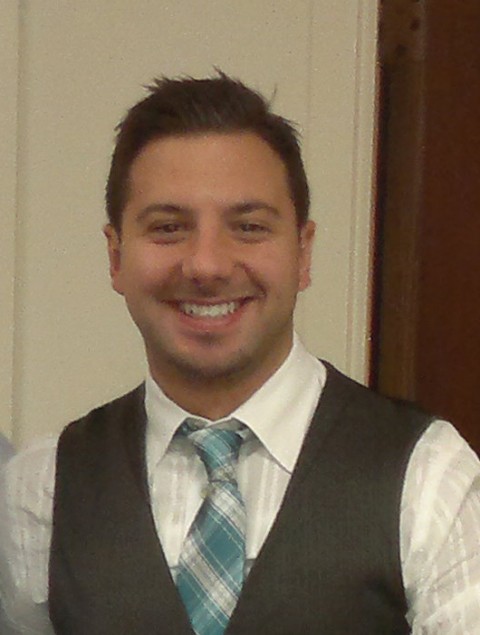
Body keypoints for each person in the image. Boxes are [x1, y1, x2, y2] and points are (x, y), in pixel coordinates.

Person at [1, 72, 479, 635]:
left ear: (303, 252)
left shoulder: (428, 476)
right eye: (168, 228)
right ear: (115, 256)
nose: (207, 265)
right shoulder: (41, 489)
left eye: (249, 227)